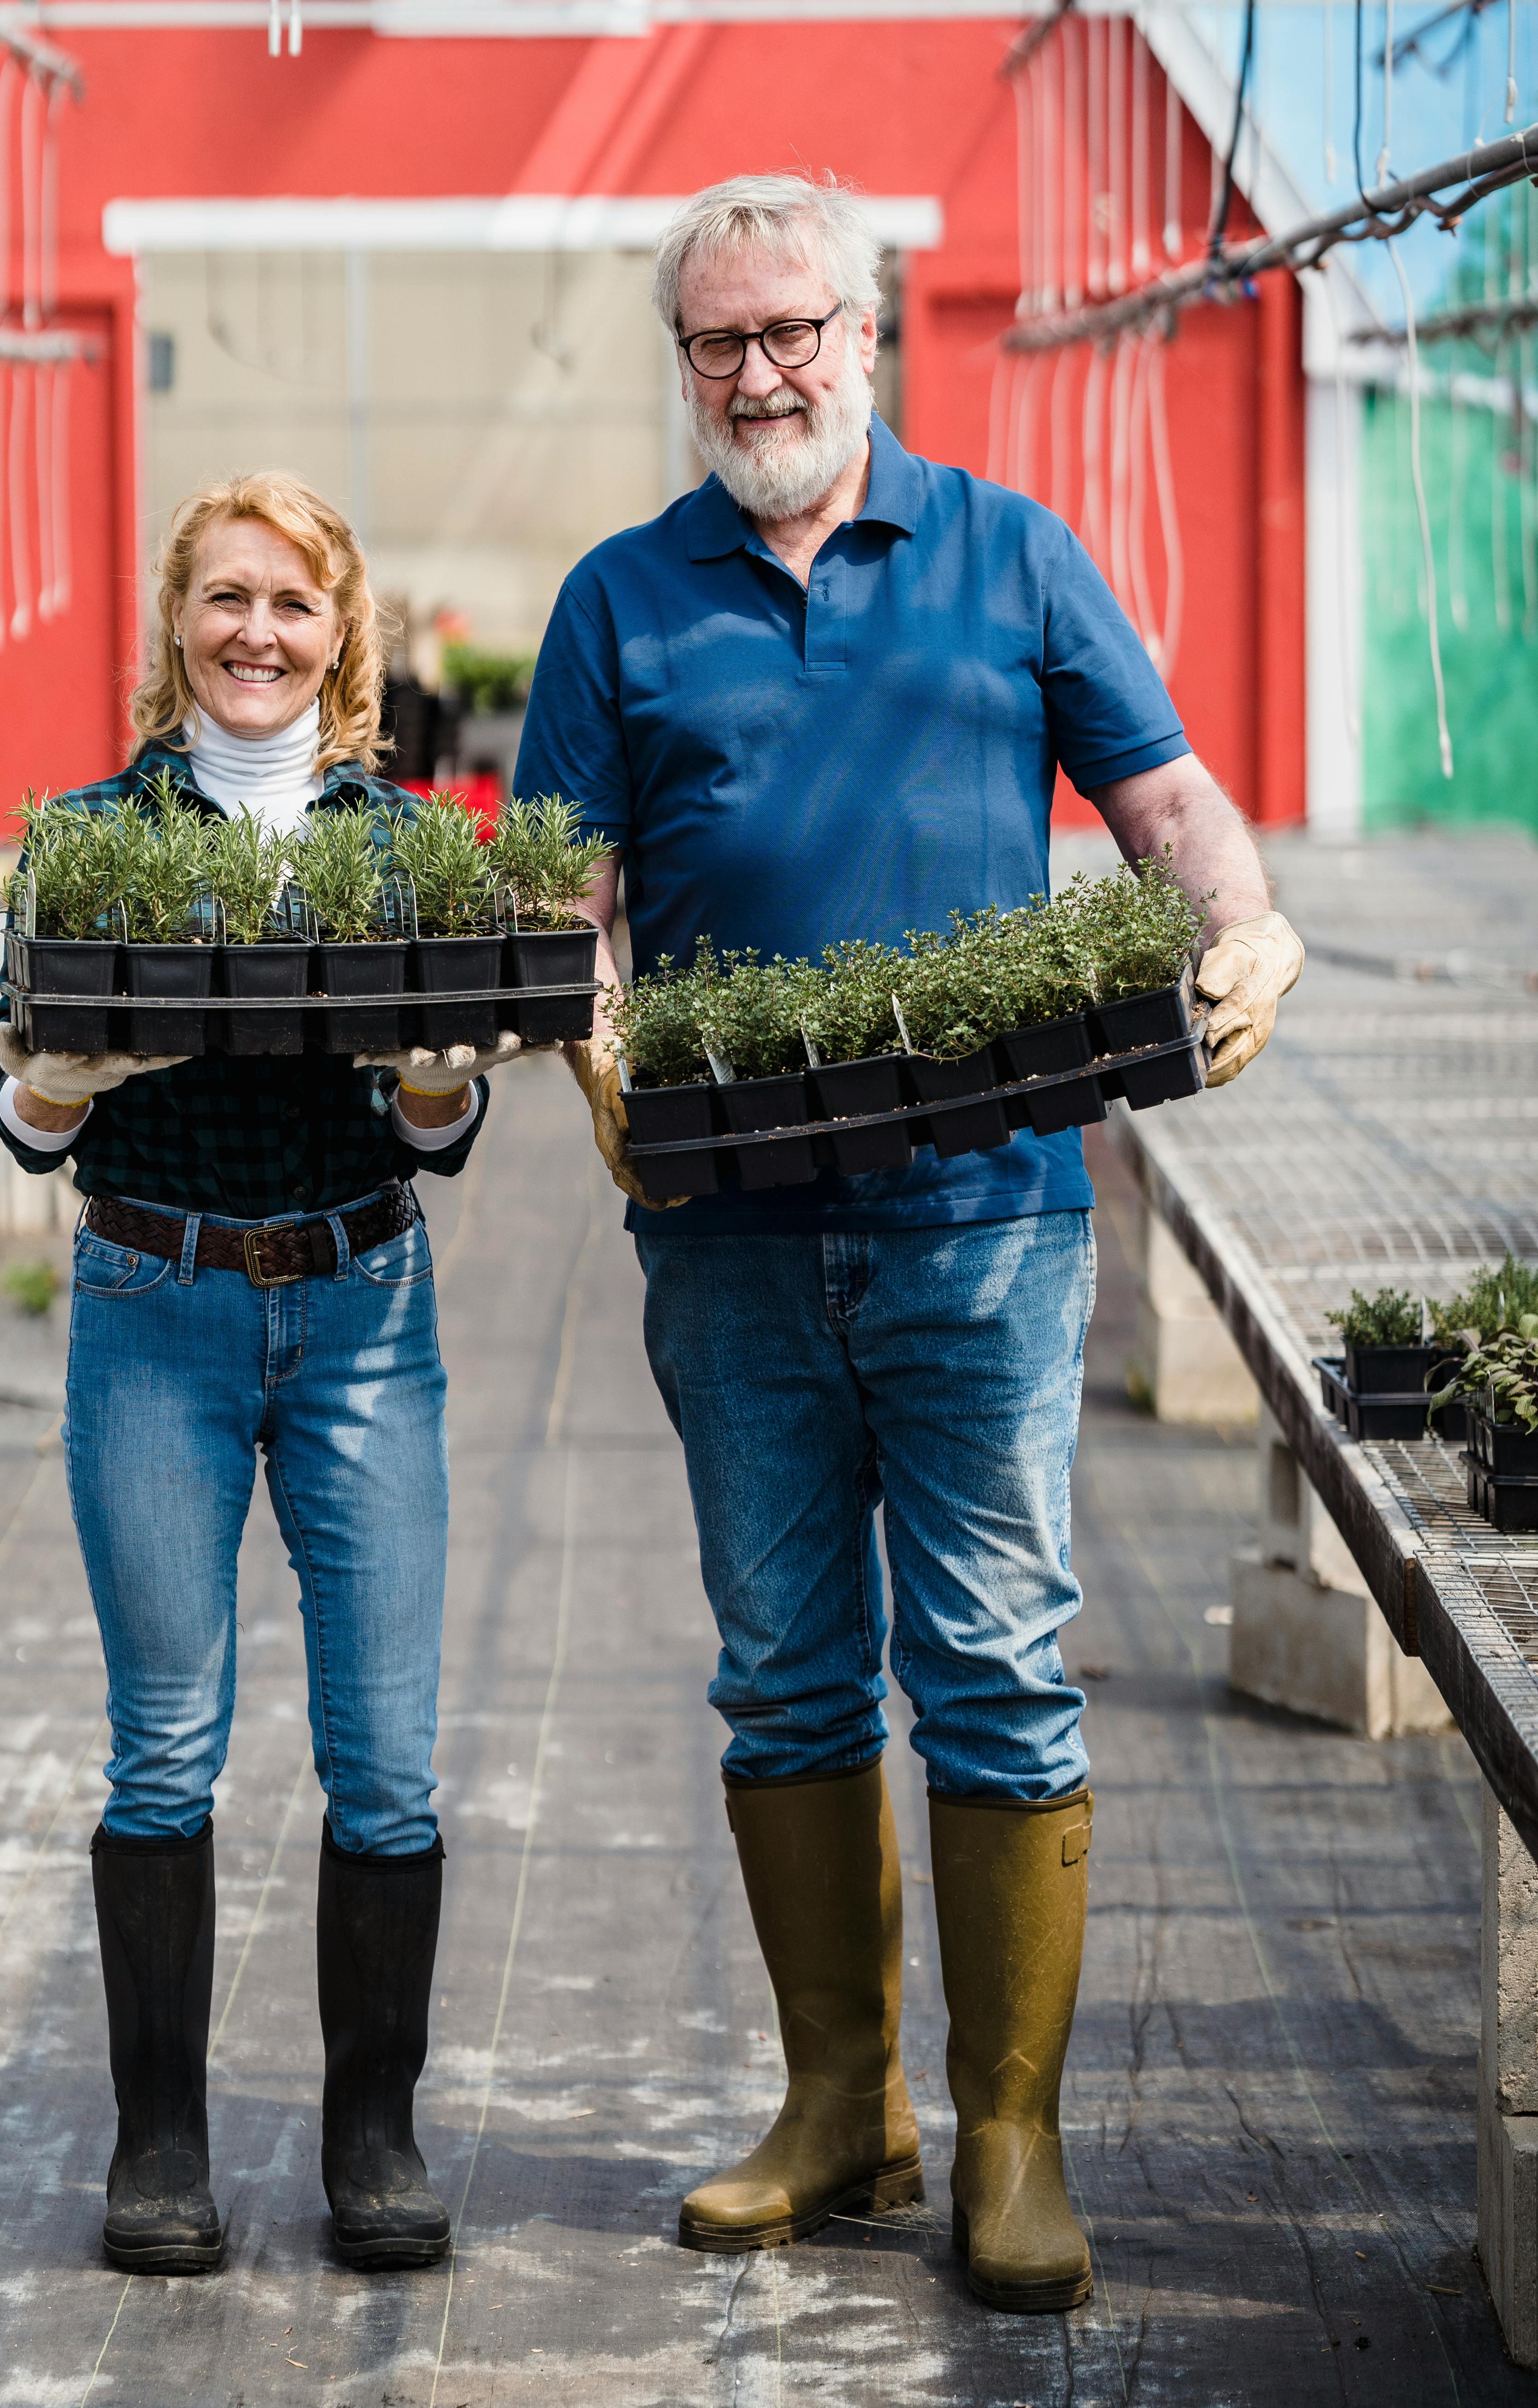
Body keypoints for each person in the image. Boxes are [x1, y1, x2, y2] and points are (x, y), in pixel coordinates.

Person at [513, 175, 1302, 2313]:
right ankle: (839, 2108)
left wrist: (1245, 932)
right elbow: (561, 896)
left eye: (792, 332)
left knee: (996, 1668)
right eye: (716, 343)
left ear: (869, 336)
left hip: (986, 1227)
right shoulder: (618, 600)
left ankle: (1011, 2138)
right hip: (730, 1237)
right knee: (781, 1672)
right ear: (681, 363)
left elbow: (1160, 807)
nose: (756, 373)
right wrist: (586, 1043)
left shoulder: (1011, 554)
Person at [0, 471, 524, 2277]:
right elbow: (26, 1110)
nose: (255, 634)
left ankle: (373, 2136)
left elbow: (433, 1125)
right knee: (164, 1750)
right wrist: (58, 1088)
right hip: (156, 1309)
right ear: (176, 627)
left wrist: (442, 1081)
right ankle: (160, 2148)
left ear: (341, 636)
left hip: (366, 1320)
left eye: (290, 604)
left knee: (384, 1762)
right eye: (223, 599)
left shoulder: (408, 855)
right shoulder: (81, 838)